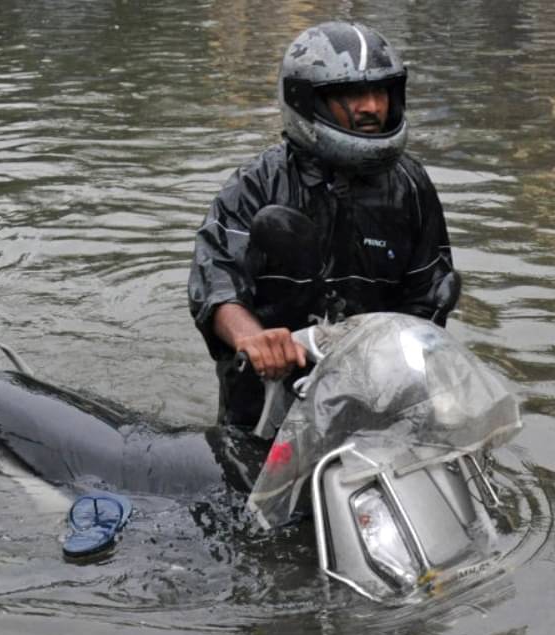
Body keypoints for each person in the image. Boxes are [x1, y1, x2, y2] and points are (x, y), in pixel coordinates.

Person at [188, 21, 459, 427]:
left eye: (380, 91)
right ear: (306, 101)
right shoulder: (256, 185)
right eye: (351, 94)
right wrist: (254, 340)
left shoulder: (411, 187)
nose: (371, 106)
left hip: (370, 398)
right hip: (265, 402)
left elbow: (426, 296)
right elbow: (217, 285)